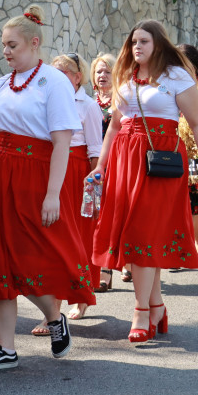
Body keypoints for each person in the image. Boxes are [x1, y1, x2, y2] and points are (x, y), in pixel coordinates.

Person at [0, 5, 91, 371]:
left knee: (27, 256)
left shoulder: (54, 81)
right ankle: (5, 349)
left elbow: (62, 142)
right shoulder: (0, 86)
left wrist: (53, 193)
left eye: (12, 45)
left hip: (33, 177)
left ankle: (54, 317)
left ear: (34, 44)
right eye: (3, 45)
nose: (5, 51)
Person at [93, 20, 198, 341]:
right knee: (140, 235)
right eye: (133, 42)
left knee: (143, 233)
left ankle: (141, 312)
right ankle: (156, 306)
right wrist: (100, 167)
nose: (137, 47)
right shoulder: (125, 77)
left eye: (144, 41)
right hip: (125, 160)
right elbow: (114, 127)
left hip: (159, 161)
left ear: (158, 45)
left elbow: (197, 125)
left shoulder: (176, 76)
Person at [50, 52, 103, 322]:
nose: (57, 78)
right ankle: (53, 307)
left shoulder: (88, 105)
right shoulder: (48, 100)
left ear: (77, 77)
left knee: (79, 237)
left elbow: (95, 151)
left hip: (77, 174)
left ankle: (82, 297)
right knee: (54, 238)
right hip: (52, 172)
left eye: (63, 73)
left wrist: (94, 190)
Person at [89, 52, 122, 289]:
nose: (102, 75)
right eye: (99, 71)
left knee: (109, 215)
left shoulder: (121, 100)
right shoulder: (89, 101)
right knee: (94, 215)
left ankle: (107, 270)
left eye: (107, 71)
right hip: (91, 164)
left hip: (116, 163)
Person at [177, 43, 198, 261]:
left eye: (184, 62)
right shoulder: (168, 83)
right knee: (178, 201)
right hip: (173, 148)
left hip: (196, 149)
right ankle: (186, 244)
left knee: (193, 201)